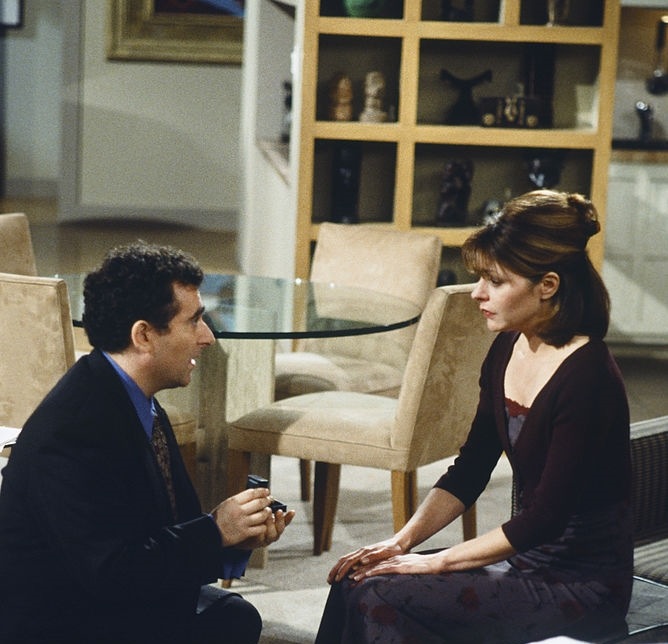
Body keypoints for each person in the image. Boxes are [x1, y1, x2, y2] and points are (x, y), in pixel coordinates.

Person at [315, 190, 633, 643]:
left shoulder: (588, 377)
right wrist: (401, 542)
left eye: (495, 281)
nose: (478, 293)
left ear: (548, 285)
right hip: (525, 562)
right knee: (360, 576)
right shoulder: (506, 347)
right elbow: (469, 471)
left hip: (581, 586)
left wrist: (436, 561)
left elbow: (545, 518)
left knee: (381, 594)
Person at [0, 241, 295, 644]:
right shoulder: (73, 431)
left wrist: (233, 535)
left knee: (235, 617)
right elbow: (112, 572)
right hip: (66, 621)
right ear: (143, 335)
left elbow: (158, 531)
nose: (207, 337)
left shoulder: (134, 398)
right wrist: (214, 531)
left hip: (110, 596)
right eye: (194, 321)